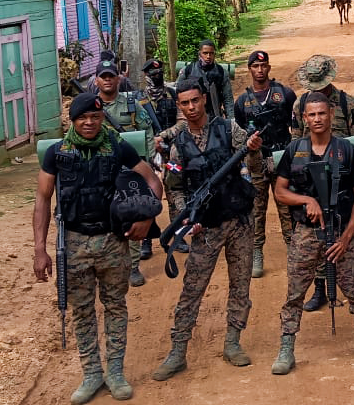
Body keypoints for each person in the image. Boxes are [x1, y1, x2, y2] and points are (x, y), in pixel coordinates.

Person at [33, 93, 162, 405]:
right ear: (73, 121)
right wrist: (40, 249)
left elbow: (153, 181)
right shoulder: (57, 153)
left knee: (115, 305)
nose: (89, 123)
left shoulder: (117, 146)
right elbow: (41, 200)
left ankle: (115, 372)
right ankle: (91, 373)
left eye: (95, 117)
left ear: (102, 118)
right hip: (74, 243)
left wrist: (147, 215)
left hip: (112, 241)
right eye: (82, 118)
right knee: (82, 311)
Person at [152, 78, 263, 380]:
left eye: (195, 101)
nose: (190, 107)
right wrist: (185, 218)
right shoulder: (178, 147)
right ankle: (178, 351)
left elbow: (255, 166)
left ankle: (233, 342)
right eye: (184, 103)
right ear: (179, 106)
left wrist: (253, 149)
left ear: (204, 99)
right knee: (192, 290)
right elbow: (173, 188)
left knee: (240, 286)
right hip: (205, 228)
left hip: (239, 221)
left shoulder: (229, 130)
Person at [271, 93, 354, 374]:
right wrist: (307, 201)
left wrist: (348, 236)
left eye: (322, 113)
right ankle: (286, 347)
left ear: (330, 113)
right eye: (311, 115)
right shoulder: (294, 150)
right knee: (295, 292)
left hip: (340, 233)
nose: (317, 119)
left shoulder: (346, 150)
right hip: (306, 233)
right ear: (304, 118)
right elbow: (280, 191)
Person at [291, 54, 354, 313]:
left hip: (342, 179)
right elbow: (297, 140)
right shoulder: (300, 105)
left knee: (346, 234)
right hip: (311, 180)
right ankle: (321, 288)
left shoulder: (349, 104)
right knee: (316, 235)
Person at [95, 61, 160, 287]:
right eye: (103, 76)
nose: (107, 80)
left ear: (118, 79)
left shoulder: (132, 103)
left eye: (111, 76)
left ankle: (132, 267)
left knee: (132, 214)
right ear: (96, 81)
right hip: (101, 171)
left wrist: (150, 160)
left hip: (130, 170)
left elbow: (147, 130)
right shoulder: (91, 109)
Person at [232, 50, 296, 278]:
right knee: (257, 211)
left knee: (287, 208)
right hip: (256, 161)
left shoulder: (285, 94)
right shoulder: (242, 102)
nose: (260, 70)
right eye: (255, 66)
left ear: (269, 67)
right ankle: (257, 252)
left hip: (282, 158)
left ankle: (294, 251)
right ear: (249, 69)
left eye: (263, 66)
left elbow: (296, 126)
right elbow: (238, 136)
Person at [181, 39, 233, 120]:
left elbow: (228, 98)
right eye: (205, 53)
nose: (208, 56)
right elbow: (177, 93)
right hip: (192, 117)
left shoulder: (221, 72)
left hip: (215, 116)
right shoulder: (188, 70)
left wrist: (231, 120)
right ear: (199, 54)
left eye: (211, 53)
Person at [143, 58, 177, 131]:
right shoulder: (141, 97)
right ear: (146, 75)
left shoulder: (171, 93)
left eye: (160, 73)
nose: (157, 77)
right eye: (154, 74)